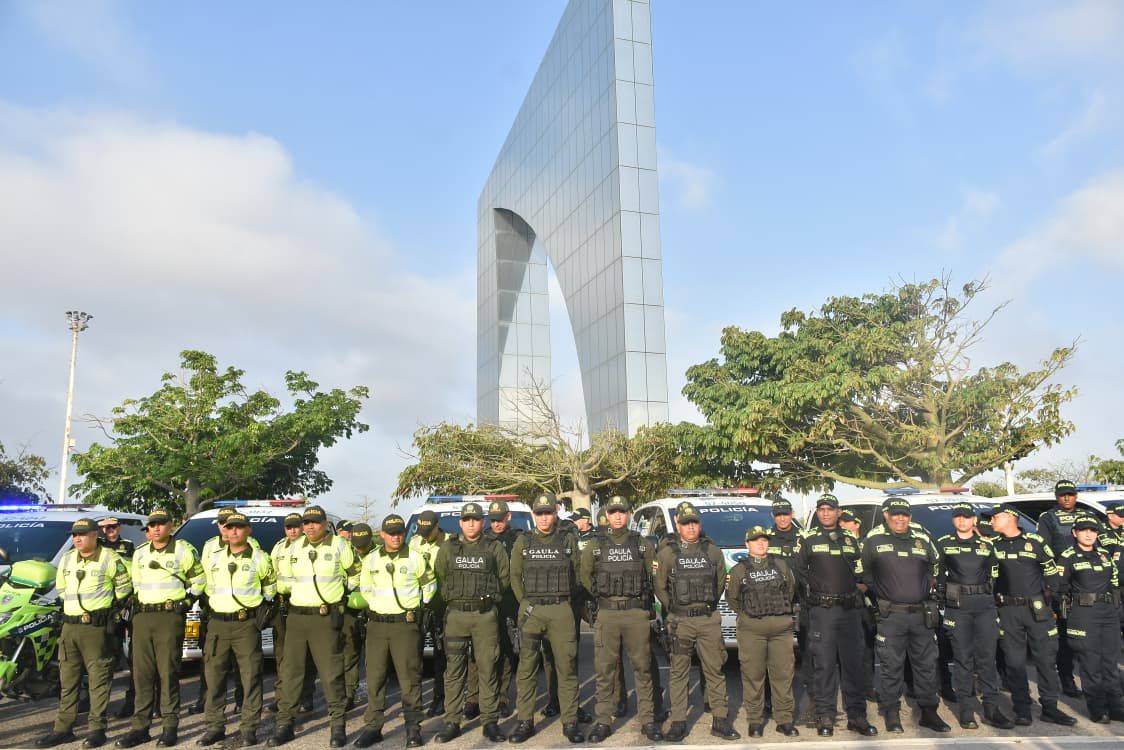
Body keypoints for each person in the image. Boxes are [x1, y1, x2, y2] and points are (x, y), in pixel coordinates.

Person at [36, 519, 132, 749]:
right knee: (67, 681)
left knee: (98, 681)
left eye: (82, 534)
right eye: (74, 535)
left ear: (94, 535)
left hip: (96, 628)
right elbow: (61, 589)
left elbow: (124, 588)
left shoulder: (110, 558)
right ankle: (63, 729)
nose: (77, 539)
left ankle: (97, 730)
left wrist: (109, 613)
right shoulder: (68, 558)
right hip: (70, 628)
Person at [269, 505, 360, 748]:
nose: (310, 526)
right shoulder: (294, 547)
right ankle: (285, 724)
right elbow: (284, 580)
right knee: (291, 673)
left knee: (331, 674)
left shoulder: (340, 546)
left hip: (325, 617)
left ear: (325, 524)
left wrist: (341, 596)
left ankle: (337, 726)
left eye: (315, 522)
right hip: (297, 617)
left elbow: (355, 574)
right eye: (306, 522)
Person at [861, 497, 950, 733]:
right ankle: (891, 712)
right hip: (891, 615)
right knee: (891, 666)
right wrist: (879, 591)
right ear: (886, 515)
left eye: (905, 515)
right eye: (896, 514)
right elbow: (865, 572)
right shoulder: (873, 539)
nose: (900, 518)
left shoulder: (922, 538)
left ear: (910, 517)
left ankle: (929, 712)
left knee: (926, 665)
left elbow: (937, 564)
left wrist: (932, 586)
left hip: (921, 614)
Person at [117, 510, 204, 749]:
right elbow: (134, 584)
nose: (155, 529)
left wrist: (186, 601)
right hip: (143, 617)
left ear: (171, 526)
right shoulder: (140, 553)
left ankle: (169, 727)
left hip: (168, 617)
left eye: (160, 524)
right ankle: (140, 728)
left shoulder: (183, 550)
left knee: (168, 673)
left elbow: (199, 579)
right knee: (142, 674)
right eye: (152, 525)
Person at [654, 501, 739, 742]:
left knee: (715, 669)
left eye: (694, 523)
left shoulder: (713, 551)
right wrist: (675, 609)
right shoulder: (667, 553)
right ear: (678, 526)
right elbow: (660, 587)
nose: (690, 528)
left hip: (708, 620)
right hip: (680, 622)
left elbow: (720, 582)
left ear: (699, 525)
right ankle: (679, 722)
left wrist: (706, 607)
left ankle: (720, 720)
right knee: (679, 672)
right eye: (685, 523)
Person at [792, 494, 876, 737]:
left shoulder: (850, 539)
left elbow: (861, 570)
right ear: (817, 513)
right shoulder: (808, 539)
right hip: (823, 612)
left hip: (850, 611)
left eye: (831, 509)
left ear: (839, 512)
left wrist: (861, 586)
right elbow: (799, 571)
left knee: (853, 666)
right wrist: (814, 593)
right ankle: (825, 716)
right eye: (822, 509)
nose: (826, 513)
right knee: (825, 666)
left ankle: (857, 716)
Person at [580, 496, 663, 743]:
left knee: (643, 668)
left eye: (622, 512)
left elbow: (653, 575)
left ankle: (647, 720)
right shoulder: (595, 545)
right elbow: (586, 577)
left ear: (628, 514)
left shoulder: (642, 545)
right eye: (613, 512)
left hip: (636, 613)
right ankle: (604, 721)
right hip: (607, 613)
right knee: (604, 670)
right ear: (607, 514)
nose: (618, 516)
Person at [353, 515, 436, 749]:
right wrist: (377, 606)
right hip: (377, 625)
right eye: (391, 532)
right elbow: (366, 587)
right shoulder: (371, 560)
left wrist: (419, 607)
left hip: (405, 625)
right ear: (382, 534)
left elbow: (429, 585)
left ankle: (413, 728)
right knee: (375, 678)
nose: (396, 536)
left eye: (400, 532)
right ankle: (373, 727)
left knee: (409, 678)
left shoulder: (415, 558)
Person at [194, 512, 277, 747]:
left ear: (248, 530)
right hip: (218, 624)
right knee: (214, 677)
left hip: (245, 625)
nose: (233, 532)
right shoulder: (213, 558)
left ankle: (249, 728)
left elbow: (270, 587)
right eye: (229, 528)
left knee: (250, 676)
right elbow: (204, 586)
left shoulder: (260, 559)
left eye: (239, 527)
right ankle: (215, 726)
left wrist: (263, 610)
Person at [990, 503, 1076, 727]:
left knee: (1046, 659)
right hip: (1007, 610)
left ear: (1010, 517)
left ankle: (1050, 707)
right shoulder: (992, 546)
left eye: (995, 517)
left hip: (1037, 610)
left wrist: (1049, 596)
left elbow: (1052, 572)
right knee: (1014, 661)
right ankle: (1022, 709)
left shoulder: (1035, 542)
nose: (991, 521)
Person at [507, 495, 584, 744]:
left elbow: (577, 574)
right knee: (526, 669)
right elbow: (515, 575)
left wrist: (564, 602)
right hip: (531, 611)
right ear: (533, 514)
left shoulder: (567, 539)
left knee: (566, 667)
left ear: (555, 513)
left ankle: (570, 721)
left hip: (561, 610)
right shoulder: (524, 541)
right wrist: (525, 603)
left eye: (548, 513)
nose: (543, 518)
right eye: (539, 513)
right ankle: (525, 722)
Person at [432, 503, 508, 744]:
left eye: (476, 519)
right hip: (455, 616)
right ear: (461, 523)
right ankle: (452, 721)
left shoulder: (494, 547)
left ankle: (490, 722)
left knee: (488, 669)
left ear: (482, 522)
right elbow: (440, 574)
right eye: (467, 520)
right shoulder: (448, 547)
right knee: (454, 671)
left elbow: (504, 579)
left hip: (484, 617)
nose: (472, 523)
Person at [935, 502, 1014, 729]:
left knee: (987, 659)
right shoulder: (944, 544)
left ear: (974, 520)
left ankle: (991, 709)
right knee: (962, 659)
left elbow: (996, 575)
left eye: (967, 517)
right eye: (958, 516)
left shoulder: (986, 545)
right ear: (953, 520)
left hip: (984, 606)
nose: (962, 520)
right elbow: (937, 576)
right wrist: (943, 601)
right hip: (958, 607)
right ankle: (967, 711)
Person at [727, 526, 798, 738]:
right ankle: (755, 720)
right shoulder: (739, 570)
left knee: (783, 674)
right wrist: (749, 615)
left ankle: (784, 719)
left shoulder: (781, 564)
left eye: (764, 540)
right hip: (752, 630)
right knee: (753, 674)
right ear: (747, 544)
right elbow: (732, 599)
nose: (761, 543)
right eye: (756, 540)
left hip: (781, 629)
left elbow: (791, 590)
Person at [1056, 515, 1124, 722]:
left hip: (1108, 612)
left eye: (1092, 530)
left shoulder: (1104, 554)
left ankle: (1116, 707)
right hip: (1083, 613)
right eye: (1083, 530)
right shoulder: (1068, 556)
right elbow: (1058, 588)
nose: (1088, 534)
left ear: (1097, 533)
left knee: (1110, 663)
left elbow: (1114, 583)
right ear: (1075, 533)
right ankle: (1098, 709)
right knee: (1091, 662)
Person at [465, 500, 521, 719]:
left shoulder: (518, 538)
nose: (497, 524)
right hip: (483, 603)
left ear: (508, 517)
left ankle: (502, 698)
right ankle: (473, 698)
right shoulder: (483, 538)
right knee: (477, 652)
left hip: (508, 603)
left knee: (506, 651)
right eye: (494, 520)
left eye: (501, 519)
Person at [1036, 479, 1083, 697]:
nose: (1067, 498)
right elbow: (1043, 549)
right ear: (1056, 496)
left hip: (1086, 581)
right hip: (1062, 583)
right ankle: (1066, 679)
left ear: (1076, 495)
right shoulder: (1048, 517)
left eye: (1070, 494)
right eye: (1063, 494)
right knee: (1064, 636)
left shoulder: (1087, 517)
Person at [268, 513, 314, 715]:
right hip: (282, 603)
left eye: (296, 526)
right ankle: (282, 696)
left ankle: (306, 696)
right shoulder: (278, 547)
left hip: (303, 604)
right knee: (282, 654)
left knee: (305, 654)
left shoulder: (309, 546)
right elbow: (272, 574)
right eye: (289, 527)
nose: (293, 530)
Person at [97, 517, 139, 721]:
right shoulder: (98, 546)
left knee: (135, 656)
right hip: (108, 606)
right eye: (105, 528)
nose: (109, 531)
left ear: (118, 528)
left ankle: (133, 702)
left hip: (128, 603)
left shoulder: (129, 546)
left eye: (112, 527)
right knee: (107, 657)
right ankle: (98, 706)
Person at [409, 510, 447, 718]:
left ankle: (440, 699)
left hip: (442, 605)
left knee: (441, 656)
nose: (425, 536)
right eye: (421, 531)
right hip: (418, 605)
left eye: (428, 531)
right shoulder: (414, 542)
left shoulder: (450, 542)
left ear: (437, 526)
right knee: (415, 655)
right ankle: (414, 703)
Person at [344, 522, 377, 711]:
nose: (360, 548)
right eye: (357, 544)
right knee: (349, 651)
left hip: (374, 609)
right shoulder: (347, 552)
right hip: (350, 608)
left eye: (363, 544)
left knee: (374, 656)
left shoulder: (380, 553)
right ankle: (349, 693)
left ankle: (375, 695)